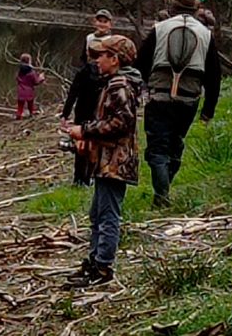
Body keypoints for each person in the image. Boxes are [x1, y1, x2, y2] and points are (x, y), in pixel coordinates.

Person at [64, 35, 141, 287]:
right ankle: (94, 261)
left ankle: (103, 268)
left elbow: (122, 122)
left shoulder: (120, 86)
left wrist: (85, 131)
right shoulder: (113, 83)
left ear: (115, 59)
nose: (96, 60)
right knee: (97, 213)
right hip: (106, 161)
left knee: (108, 215)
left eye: (101, 55)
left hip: (115, 163)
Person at [136, 0, 222, 208]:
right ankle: (164, 189)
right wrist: (208, 110)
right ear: (195, 10)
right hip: (189, 99)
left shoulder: (160, 29)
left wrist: (140, 88)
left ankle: (161, 195)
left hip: (159, 96)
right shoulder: (206, 34)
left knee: (157, 146)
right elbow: (214, 75)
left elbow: (141, 62)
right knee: (176, 143)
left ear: (173, 8)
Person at [60, 42, 103, 186]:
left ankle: (82, 178)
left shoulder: (102, 74)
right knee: (86, 146)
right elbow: (73, 92)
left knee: (84, 146)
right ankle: (84, 178)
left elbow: (73, 93)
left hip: (89, 113)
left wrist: (65, 114)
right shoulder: (89, 72)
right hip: (90, 113)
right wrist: (65, 114)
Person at [16, 53, 45, 120]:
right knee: (30, 105)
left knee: (20, 107)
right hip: (29, 92)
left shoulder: (19, 71)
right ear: (29, 61)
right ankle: (31, 115)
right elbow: (36, 82)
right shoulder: (31, 72)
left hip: (20, 91)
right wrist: (41, 78)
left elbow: (17, 78)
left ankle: (18, 116)